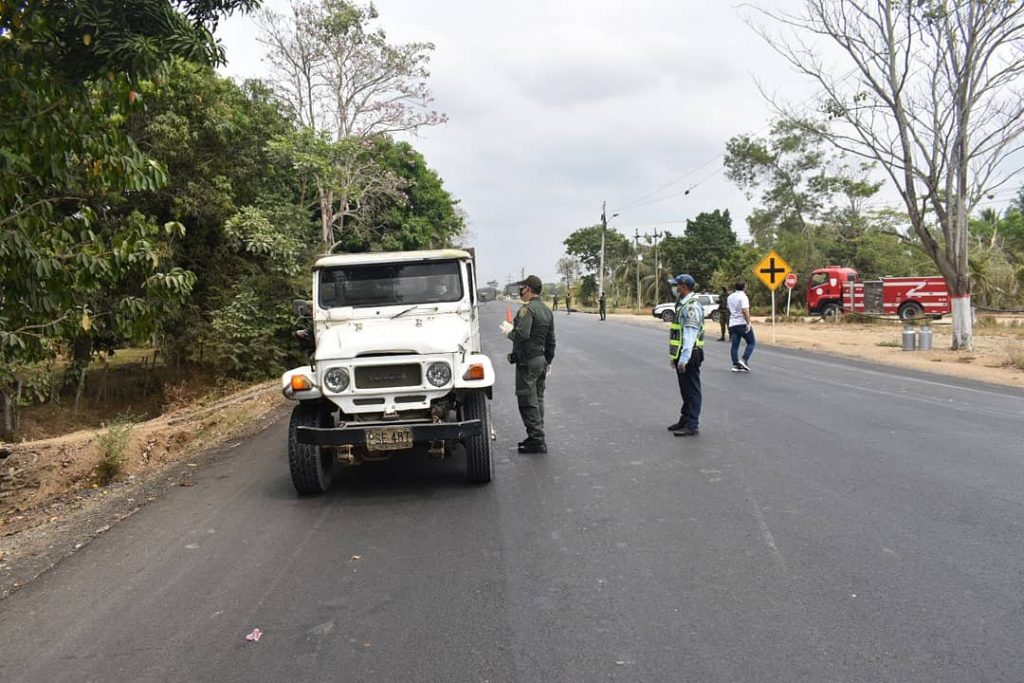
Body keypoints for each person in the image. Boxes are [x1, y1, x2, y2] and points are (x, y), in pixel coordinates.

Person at [500, 275, 556, 454]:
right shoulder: (546, 310)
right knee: (538, 399)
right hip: (540, 360)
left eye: (523, 287)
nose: (521, 291)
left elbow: (522, 334)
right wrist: (548, 361)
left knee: (527, 400)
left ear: (529, 289)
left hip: (528, 361)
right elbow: (551, 341)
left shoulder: (528, 309)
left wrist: (509, 332)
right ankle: (536, 436)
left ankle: (537, 440)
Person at [666, 274, 704, 436]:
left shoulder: (691, 307)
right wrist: (674, 357)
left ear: (684, 287)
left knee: (692, 390)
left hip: (689, 354)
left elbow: (689, 335)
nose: (674, 288)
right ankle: (685, 418)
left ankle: (692, 424)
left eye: (677, 285)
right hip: (682, 354)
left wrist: (683, 359)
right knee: (685, 390)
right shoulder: (682, 304)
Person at [727, 280, 755, 372]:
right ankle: (744, 360)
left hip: (732, 323)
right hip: (742, 323)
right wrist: (748, 322)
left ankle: (735, 364)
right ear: (744, 287)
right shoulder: (743, 297)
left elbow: (729, 308)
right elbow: (744, 311)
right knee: (751, 342)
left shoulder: (730, 297)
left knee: (735, 345)